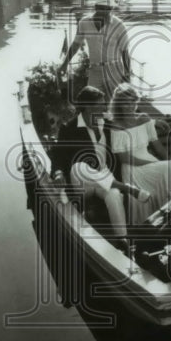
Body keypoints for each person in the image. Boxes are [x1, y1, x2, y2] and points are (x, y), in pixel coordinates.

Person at [48, 86, 150, 240]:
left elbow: (130, 119)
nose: (104, 107)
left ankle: (123, 239)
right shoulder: (69, 128)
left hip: (105, 177)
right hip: (82, 182)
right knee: (79, 167)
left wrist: (154, 123)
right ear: (88, 107)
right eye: (100, 104)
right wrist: (58, 173)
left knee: (114, 195)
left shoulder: (107, 122)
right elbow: (58, 155)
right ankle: (127, 188)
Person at [106, 83, 171, 226]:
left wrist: (168, 163)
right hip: (133, 168)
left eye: (133, 101)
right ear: (119, 104)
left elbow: (158, 147)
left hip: (150, 162)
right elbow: (124, 158)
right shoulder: (116, 125)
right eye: (126, 103)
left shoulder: (144, 118)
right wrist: (153, 164)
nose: (130, 106)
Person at [59, 0, 131, 98]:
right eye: (102, 8)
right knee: (90, 104)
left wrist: (127, 74)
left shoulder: (119, 25)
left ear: (111, 9)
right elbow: (75, 45)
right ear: (96, 7)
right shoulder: (84, 23)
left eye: (108, 8)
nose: (105, 12)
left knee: (115, 106)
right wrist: (64, 65)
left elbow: (125, 52)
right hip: (94, 71)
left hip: (115, 71)